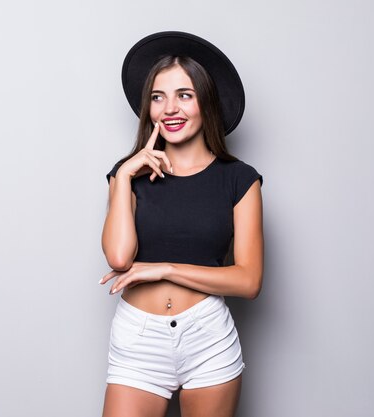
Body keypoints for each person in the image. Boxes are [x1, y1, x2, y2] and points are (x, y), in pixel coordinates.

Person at [100, 32, 263, 417]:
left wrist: (166, 269)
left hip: (207, 336)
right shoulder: (127, 176)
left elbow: (249, 281)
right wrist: (124, 176)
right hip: (138, 340)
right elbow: (120, 258)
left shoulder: (240, 179)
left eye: (184, 95)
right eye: (158, 97)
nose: (169, 108)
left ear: (206, 101)